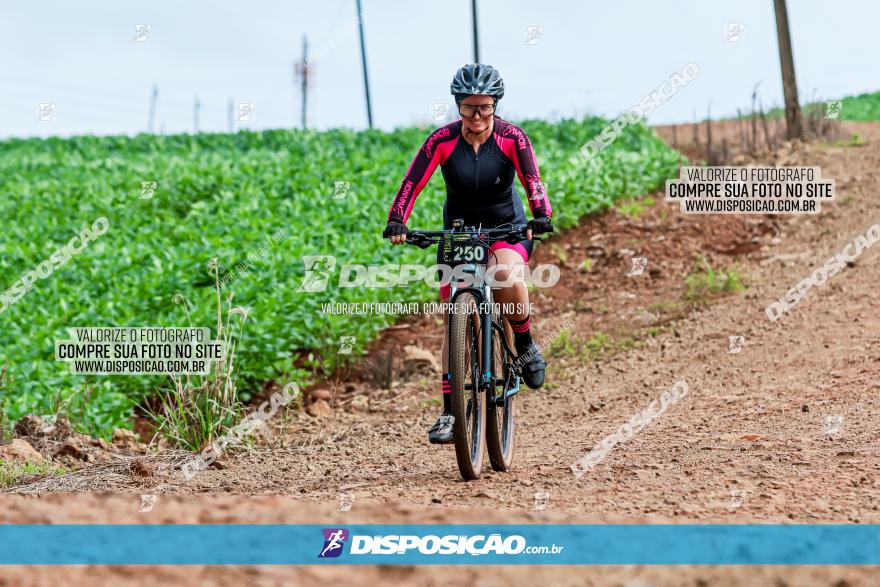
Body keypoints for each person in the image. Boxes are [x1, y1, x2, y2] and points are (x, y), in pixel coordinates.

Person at [383, 63, 554, 444]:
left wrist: (541, 216)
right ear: (457, 105)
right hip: (458, 231)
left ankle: (524, 343)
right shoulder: (440, 141)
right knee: (453, 315)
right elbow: (412, 182)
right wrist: (397, 220)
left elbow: (534, 183)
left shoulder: (514, 138)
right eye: (468, 107)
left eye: (485, 107)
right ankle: (449, 412)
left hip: (505, 227)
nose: (477, 116)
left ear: (496, 105)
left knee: (506, 274)